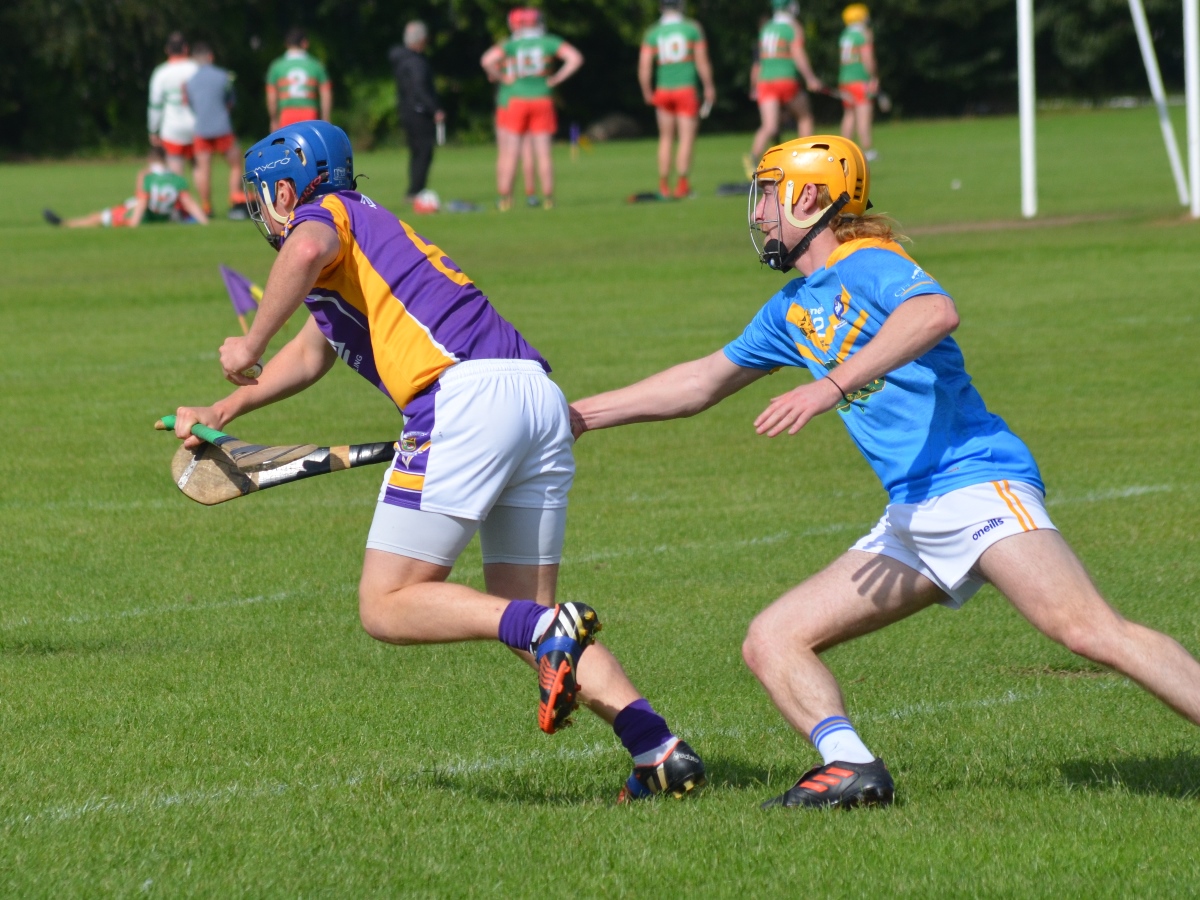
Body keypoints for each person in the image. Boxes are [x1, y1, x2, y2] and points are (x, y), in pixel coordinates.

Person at [568, 135, 1200, 809]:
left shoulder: (869, 263)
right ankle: (849, 767)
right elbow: (701, 382)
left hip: (974, 481)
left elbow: (934, 313)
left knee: (1088, 631)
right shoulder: (793, 305)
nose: (757, 216)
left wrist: (830, 385)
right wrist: (578, 416)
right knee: (773, 638)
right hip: (913, 512)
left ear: (809, 197)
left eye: (766, 196)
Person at [170, 121, 706, 803]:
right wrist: (225, 410)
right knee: (525, 622)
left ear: (284, 188)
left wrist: (247, 342)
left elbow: (303, 245)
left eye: (261, 197)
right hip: (536, 397)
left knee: (386, 605)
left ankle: (549, 628)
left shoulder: (322, 218)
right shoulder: (368, 235)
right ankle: (658, 748)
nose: (260, 212)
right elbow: (311, 353)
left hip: (462, 397)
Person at [481, 8, 583, 210]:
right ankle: (548, 198)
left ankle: (505, 199)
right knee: (543, 153)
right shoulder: (548, 42)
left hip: (515, 99)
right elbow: (575, 58)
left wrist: (504, 79)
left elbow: (487, 61)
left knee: (510, 152)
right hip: (542, 99)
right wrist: (556, 79)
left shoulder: (511, 45)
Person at [638, 0, 716, 200]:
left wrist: (647, 91)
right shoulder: (692, 28)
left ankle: (663, 185)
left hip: (663, 90)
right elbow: (701, 61)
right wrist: (708, 86)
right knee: (686, 138)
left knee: (665, 138)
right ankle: (682, 185)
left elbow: (645, 66)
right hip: (686, 89)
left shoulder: (653, 32)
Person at [746, 0, 823, 179]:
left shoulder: (766, 29)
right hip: (786, 79)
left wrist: (753, 85)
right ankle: (805, 159)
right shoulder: (793, 27)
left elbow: (758, 63)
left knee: (769, 126)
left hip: (765, 82)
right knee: (804, 117)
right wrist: (810, 78)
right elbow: (798, 54)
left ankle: (752, 158)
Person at [44, 145, 208, 229]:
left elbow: (142, 201)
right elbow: (190, 204)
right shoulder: (177, 180)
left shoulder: (148, 178)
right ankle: (65, 222)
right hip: (164, 217)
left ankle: (64, 223)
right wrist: (204, 221)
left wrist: (133, 223)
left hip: (143, 217)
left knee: (96, 218)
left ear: (150, 160)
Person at [183, 42, 249, 219]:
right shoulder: (224, 76)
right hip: (222, 127)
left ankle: (206, 206)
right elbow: (231, 101)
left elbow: (190, 105)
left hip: (201, 129)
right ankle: (234, 201)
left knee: (203, 169)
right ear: (211, 57)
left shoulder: (190, 82)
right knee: (235, 165)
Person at [389, 20, 445, 202]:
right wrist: (434, 108)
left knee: (416, 152)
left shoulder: (401, 58)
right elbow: (420, 88)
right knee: (424, 152)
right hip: (420, 113)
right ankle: (417, 190)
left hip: (406, 110)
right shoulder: (417, 62)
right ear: (421, 40)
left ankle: (414, 189)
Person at [148, 31, 199, 176]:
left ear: (167, 50)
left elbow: (155, 106)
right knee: (199, 167)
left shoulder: (161, 73)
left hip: (172, 128)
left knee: (175, 171)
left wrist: (153, 130)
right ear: (186, 48)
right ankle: (205, 199)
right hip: (196, 126)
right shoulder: (196, 68)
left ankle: (178, 199)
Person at [265, 28, 333, 131]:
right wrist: (326, 118)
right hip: (309, 113)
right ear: (305, 43)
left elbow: (272, 97)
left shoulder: (276, 66)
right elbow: (326, 94)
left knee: (286, 145)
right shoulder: (316, 65)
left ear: (286, 44)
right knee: (308, 145)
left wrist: (273, 120)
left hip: (286, 114)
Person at [838, 4, 878, 161]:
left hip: (845, 80)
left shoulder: (844, 35)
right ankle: (867, 149)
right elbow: (868, 59)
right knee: (864, 114)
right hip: (860, 79)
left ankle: (843, 150)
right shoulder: (863, 35)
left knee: (849, 115)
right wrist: (873, 77)